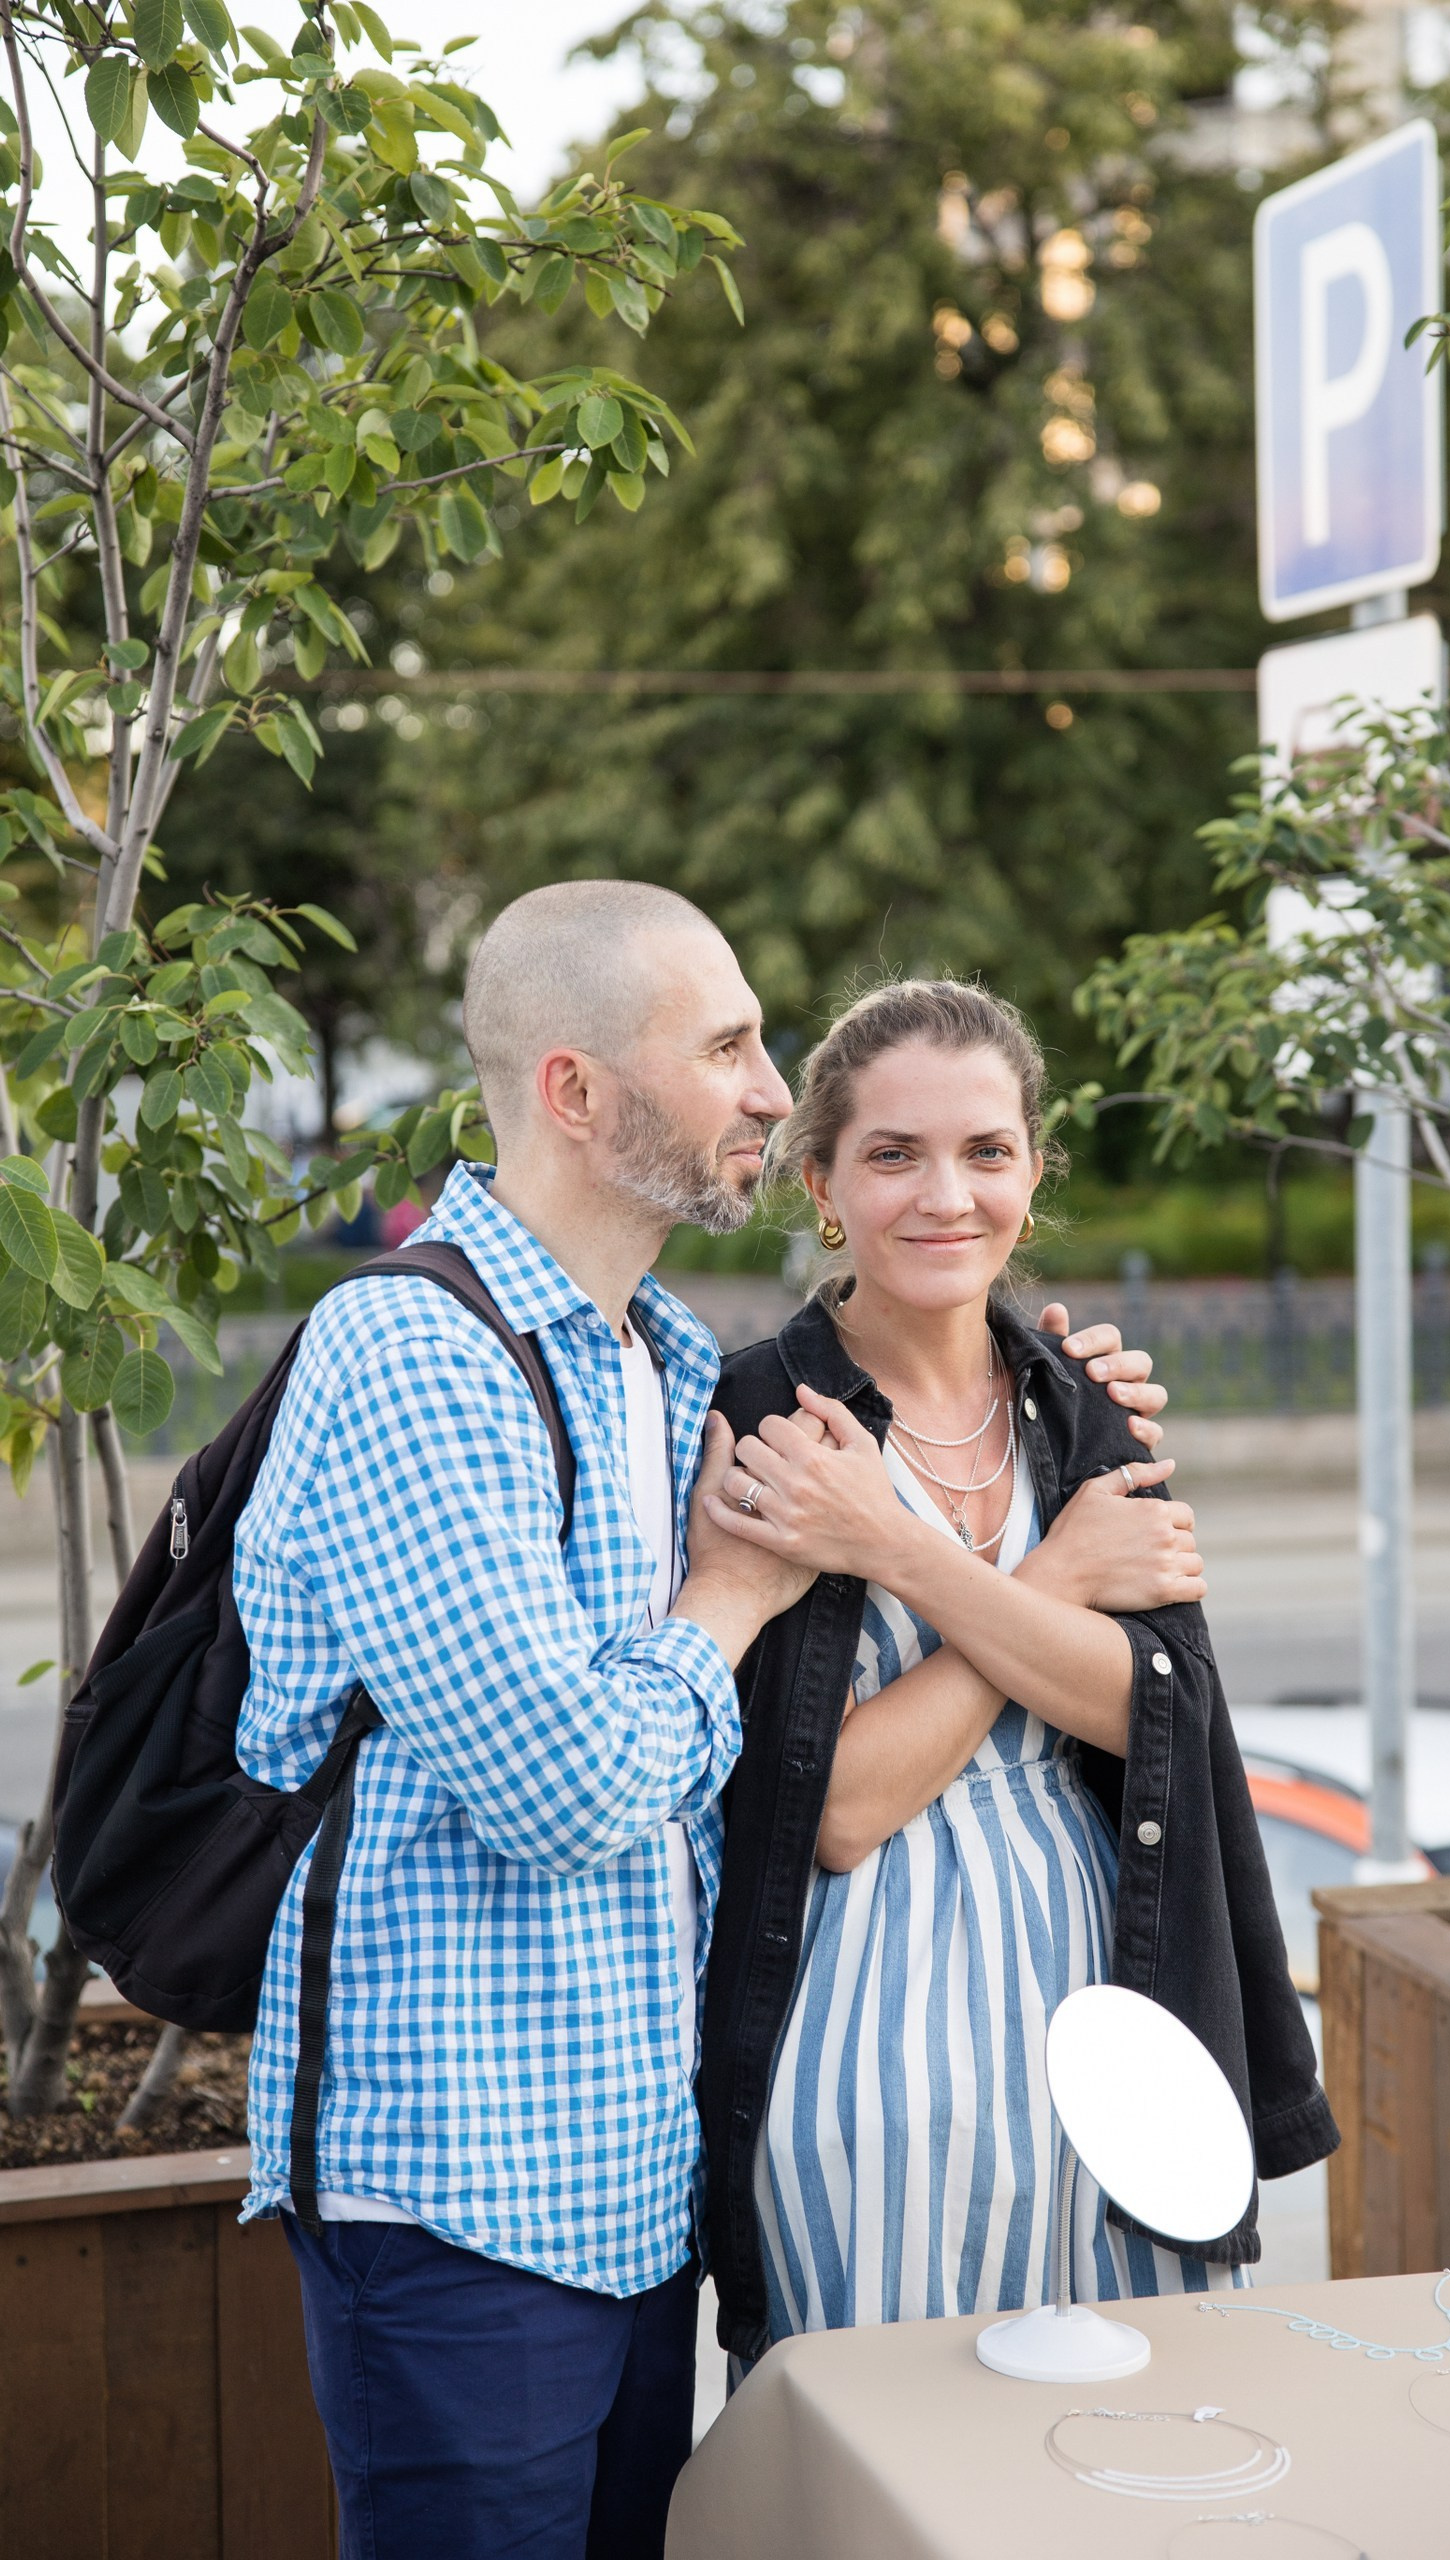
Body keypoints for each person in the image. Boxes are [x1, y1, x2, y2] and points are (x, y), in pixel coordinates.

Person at [232, 886, 1162, 2559]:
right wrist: (727, 1593)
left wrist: (1044, 1376)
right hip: (458, 2194)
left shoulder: (660, 1363)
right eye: (728, 1047)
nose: (769, 1090)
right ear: (577, 1091)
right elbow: (571, 1791)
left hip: (638, 2192)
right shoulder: (409, 1356)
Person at [698, 981, 1338, 2369]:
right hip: (863, 2036)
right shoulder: (758, 1415)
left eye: (986, 1152)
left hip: (1116, 1989)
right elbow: (838, 1808)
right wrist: (1049, 1586)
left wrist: (899, 1554)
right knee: (891, 2431)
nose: (947, 1196)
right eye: (894, 1154)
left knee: (1142, 2425)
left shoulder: (1085, 1404)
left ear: (1034, 1174)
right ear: (821, 1184)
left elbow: (1152, 1717)